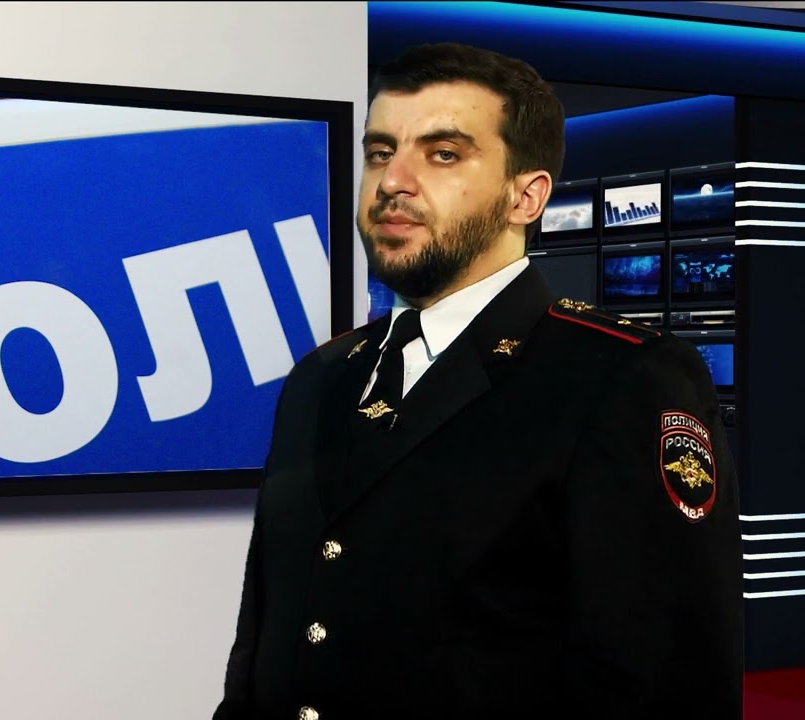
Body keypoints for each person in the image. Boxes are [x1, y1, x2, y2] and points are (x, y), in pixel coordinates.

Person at [213, 42, 742, 720]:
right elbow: (265, 643)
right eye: (380, 152)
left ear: (526, 196)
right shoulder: (320, 376)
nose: (393, 181)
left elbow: (671, 678)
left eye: (443, 154)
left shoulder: (621, 378)